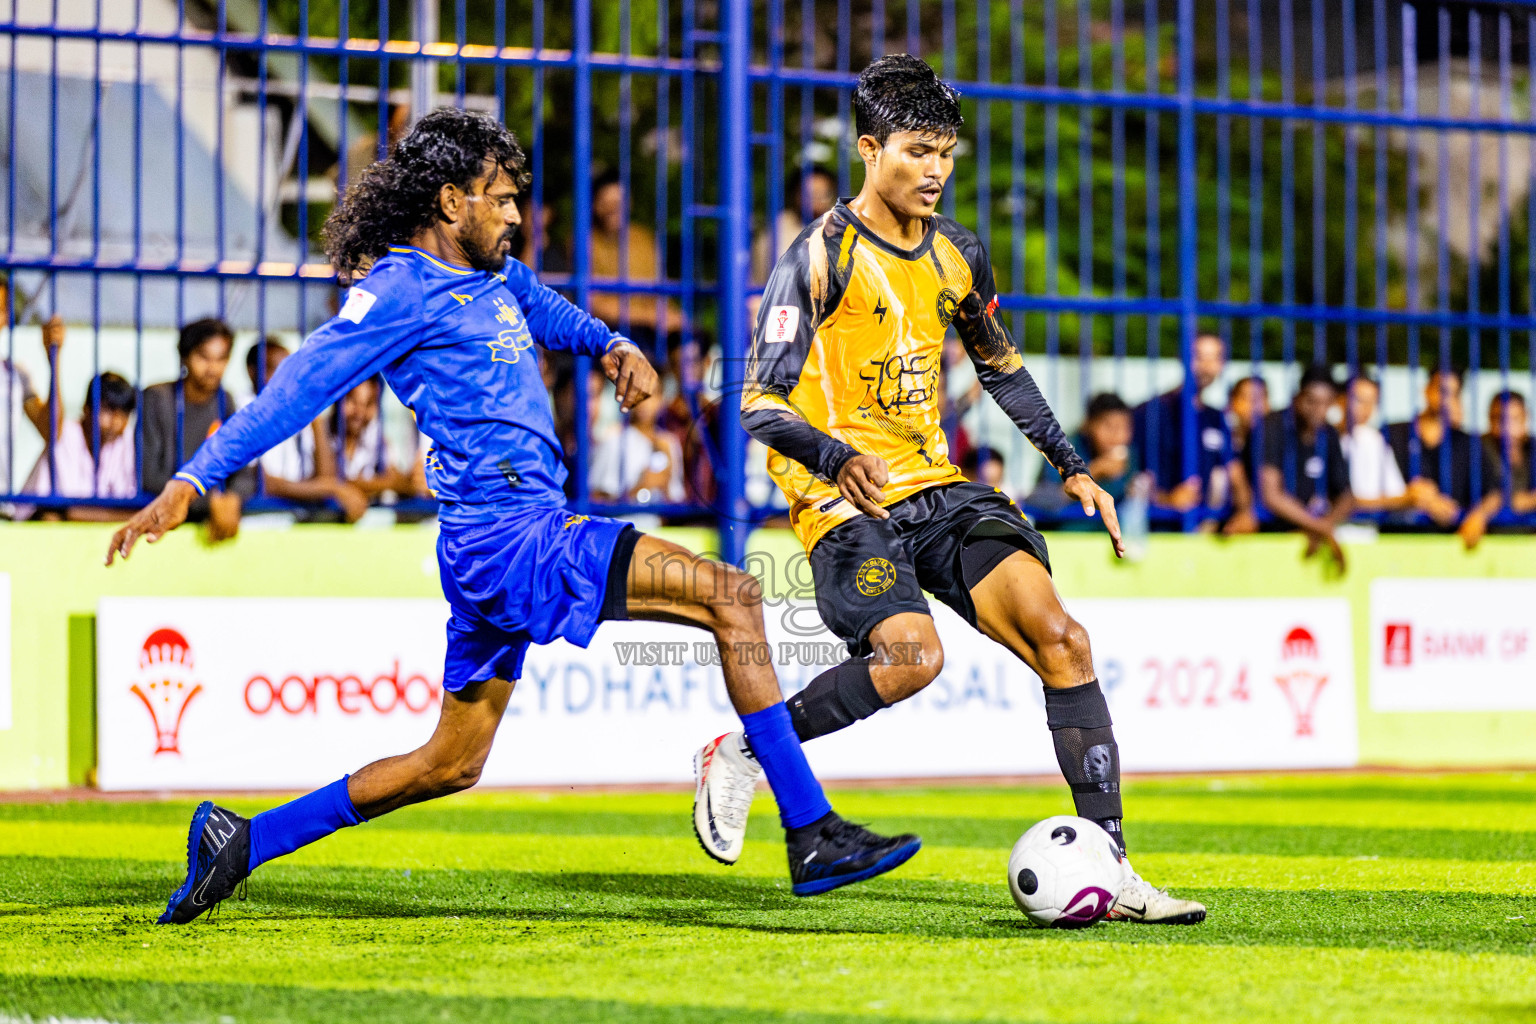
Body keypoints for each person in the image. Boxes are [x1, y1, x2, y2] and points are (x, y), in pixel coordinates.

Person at [107, 108, 918, 925]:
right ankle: (810, 829)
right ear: (452, 201)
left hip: (501, 540)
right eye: (500, 200)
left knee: (451, 762)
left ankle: (241, 842)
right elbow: (298, 388)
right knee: (732, 597)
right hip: (511, 537)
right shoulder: (395, 291)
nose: (516, 216)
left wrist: (611, 345)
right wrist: (191, 481)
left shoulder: (495, 277)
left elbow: (551, 311)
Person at [689, 55, 1203, 924]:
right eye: (918, 151)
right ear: (868, 148)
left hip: (943, 490)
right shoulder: (818, 257)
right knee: (911, 659)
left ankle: (1114, 873)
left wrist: (1072, 463)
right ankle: (747, 750)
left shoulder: (959, 253)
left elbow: (1001, 368)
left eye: (948, 154)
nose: (935, 171)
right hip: (844, 500)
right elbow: (757, 400)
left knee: (1064, 640)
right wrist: (831, 454)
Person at [139, 318, 255, 541]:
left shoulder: (225, 400)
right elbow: (148, 475)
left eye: (221, 359)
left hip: (208, 519)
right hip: (161, 520)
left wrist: (232, 499)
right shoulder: (157, 398)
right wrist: (210, 500)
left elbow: (243, 472)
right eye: (204, 357)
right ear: (184, 356)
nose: (213, 368)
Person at [243, 337, 371, 523]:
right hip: (256, 523)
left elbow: (325, 476)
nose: (288, 379)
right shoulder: (243, 408)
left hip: (296, 526)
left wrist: (315, 416)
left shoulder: (295, 413)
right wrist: (332, 488)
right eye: (277, 370)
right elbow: (263, 483)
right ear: (253, 371)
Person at [1255, 365, 1354, 569]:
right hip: (1268, 534)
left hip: (1309, 534)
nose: (1319, 410)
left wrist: (1319, 527)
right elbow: (1271, 495)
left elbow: (1346, 496)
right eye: (1312, 401)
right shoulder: (1272, 426)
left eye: (1327, 403)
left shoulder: (1329, 434)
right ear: (1297, 397)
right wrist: (1322, 528)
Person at [1132, 333, 1232, 519]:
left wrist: (1243, 512)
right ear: (1181, 359)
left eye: (1214, 358)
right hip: (1156, 525)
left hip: (1202, 530)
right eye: (1199, 356)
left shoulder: (1217, 418)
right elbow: (1130, 472)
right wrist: (1167, 500)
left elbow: (1230, 471)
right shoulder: (1150, 412)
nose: (1206, 366)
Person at [16, 370, 137, 521]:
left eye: (124, 413)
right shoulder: (64, 434)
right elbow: (54, 511)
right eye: (109, 410)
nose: (117, 421)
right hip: (33, 520)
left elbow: (130, 506)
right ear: (87, 409)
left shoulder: (126, 441)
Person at [587, 172, 684, 349]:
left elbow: (662, 292)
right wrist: (650, 316)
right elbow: (594, 305)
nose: (613, 209)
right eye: (607, 203)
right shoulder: (585, 242)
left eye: (619, 203)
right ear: (595, 206)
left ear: (629, 202)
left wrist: (674, 317)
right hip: (610, 330)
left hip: (652, 328)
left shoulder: (644, 239)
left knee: (692, 342)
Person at [1030, 392, 1143, 526]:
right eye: (1109, 427)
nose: (1118, 437)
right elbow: (1037, 501)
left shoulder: (1130, 456)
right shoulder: (1061, 449)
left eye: (1125, 428)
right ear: (1088, 425)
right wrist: (1092, 473)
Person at [1385, 369, 1474, 529]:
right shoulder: (1392, 434)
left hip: (1450, 538)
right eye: (1442, 390)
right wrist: (1422, 500)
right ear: (1426, 389)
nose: (1445, 399)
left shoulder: (1466, 443)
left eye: (1453, 393)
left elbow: (1492, 490)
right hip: (1395, 533)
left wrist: (1477, 517)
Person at [1458, 389, 1536, 549]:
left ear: (1526, 418)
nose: (1506, 428)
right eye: (1499, 419)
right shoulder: (1477, 448)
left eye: (1514, 419)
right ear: (1489, 418)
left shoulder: (1532, 448)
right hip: (1488, 540)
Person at [589, 388, 685, 505]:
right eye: (638, 393)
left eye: (650, 395)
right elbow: (594, 499)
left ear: (661, 399)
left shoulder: (669, 443)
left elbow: (677, 500)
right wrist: (640, 488)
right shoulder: (613, 439)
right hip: (627, 521)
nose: (644, 402)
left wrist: (666, 482)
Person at [751, 166, 838, 285]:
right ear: (796, 195)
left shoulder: (840, 228)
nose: (817, 201)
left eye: (824, 194)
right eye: (810, 194)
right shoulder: (778, 228)